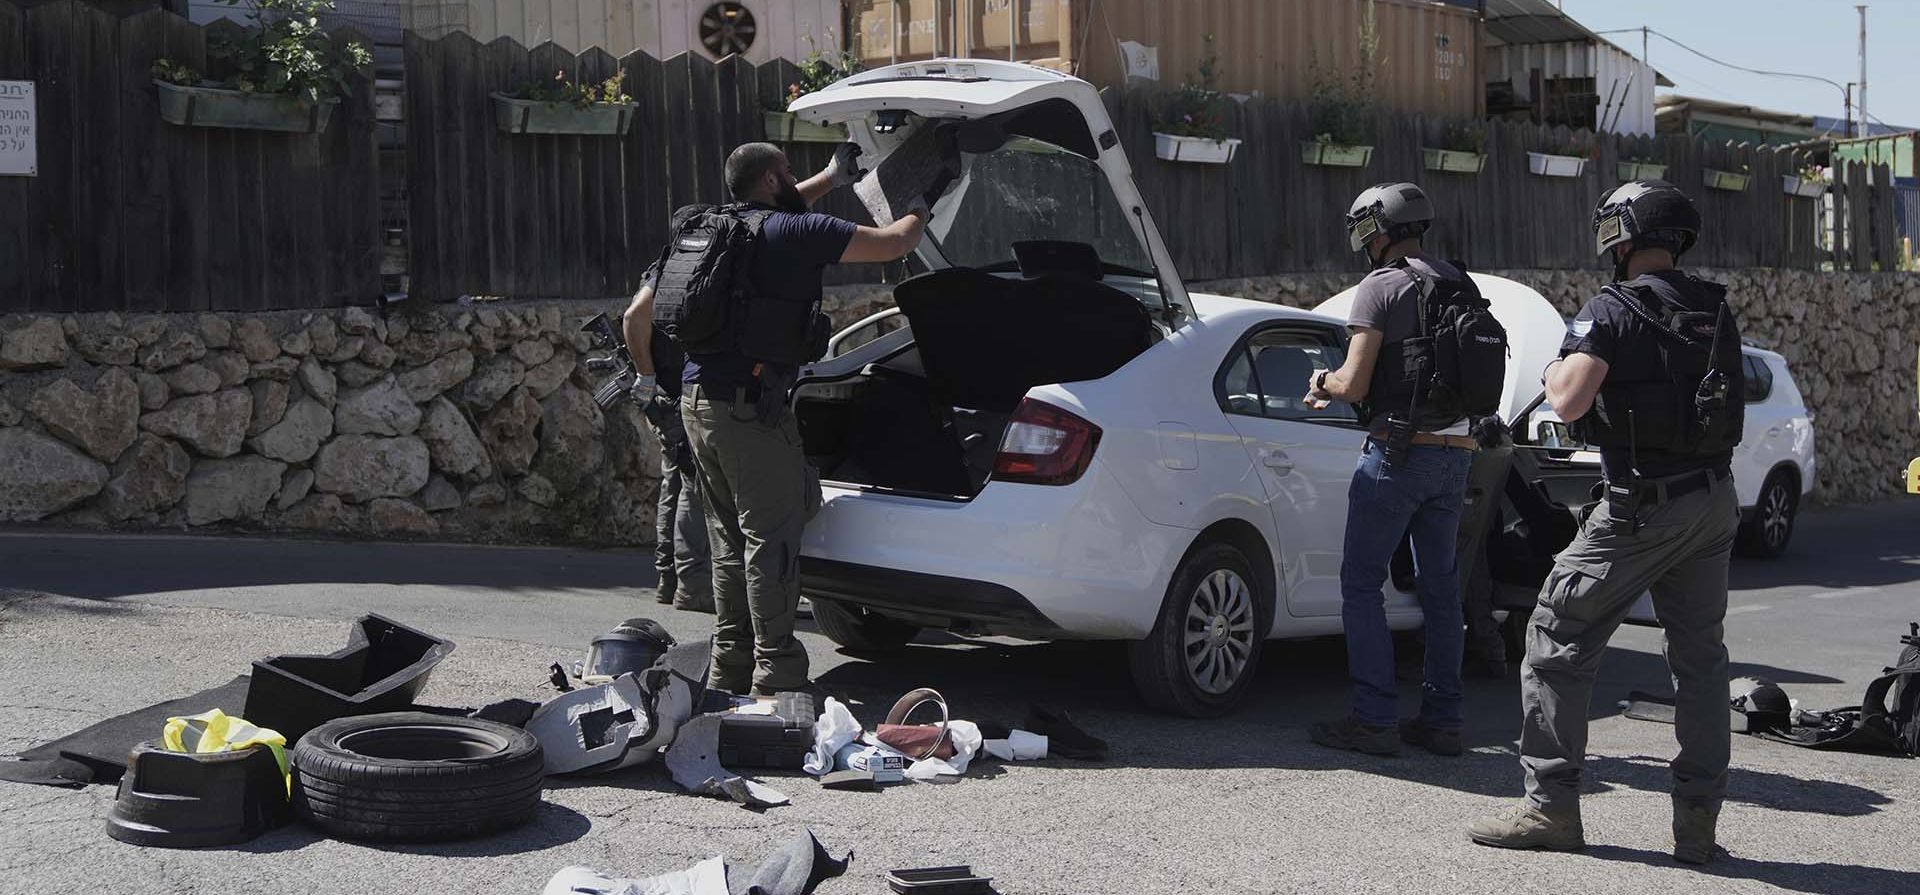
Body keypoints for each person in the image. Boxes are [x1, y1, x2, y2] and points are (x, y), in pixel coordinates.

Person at [1469, 181, 1743, 865]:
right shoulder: (1714, 307)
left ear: (1625, 238)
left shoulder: (1612, 307)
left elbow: (1565, 400)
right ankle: (1698, 828)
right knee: (1700, 661)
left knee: (1557, 632)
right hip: (1713, 499)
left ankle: (1551, 807)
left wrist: (1564, 354)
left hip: (1642, 504)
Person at [638, 141, 928, 696]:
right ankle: (778, 676)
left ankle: (730, 670)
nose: (795, 180)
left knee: (730, 542)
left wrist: (829, 177)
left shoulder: (716, 225)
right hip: (750, 411)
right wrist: (922, 199)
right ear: (772, 180)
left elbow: (640, 312)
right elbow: (897, 242)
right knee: (770, 540)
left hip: (698, 405)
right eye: (788, 173)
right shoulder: (799, 232)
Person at [1304, 182, 1479, 758]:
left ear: (1374, 229)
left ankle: (1375, 719)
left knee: (1360, 584)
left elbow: (1353, 383)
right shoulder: (1459, 280)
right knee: (1441, 590)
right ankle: (1444, 720)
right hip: (1455, 453)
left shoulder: (1380, 285)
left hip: (1397, 453)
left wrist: (1322, 382)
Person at [623, 205, 714, 613]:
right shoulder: (675, 269)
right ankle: (693, 585)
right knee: (692, 486)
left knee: (675, 483)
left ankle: (668, 579)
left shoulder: (661, 266)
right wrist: (646, 375)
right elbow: (633, 316)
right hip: (678, 393)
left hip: (667, 392)